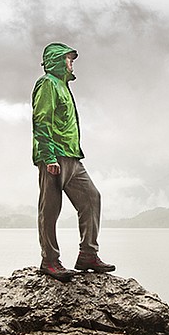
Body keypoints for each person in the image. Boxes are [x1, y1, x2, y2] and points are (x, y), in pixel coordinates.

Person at [32, 42, 116, 282]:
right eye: (69, 59)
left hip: (72, 156)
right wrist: (48, 157)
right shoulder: (48, 84)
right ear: (57, 61)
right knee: (50, 209)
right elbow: (41, 120)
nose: (72, 64)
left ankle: (88, 255)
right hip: (54, 157)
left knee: (92, 197)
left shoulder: (63, 86)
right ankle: (49, 261)